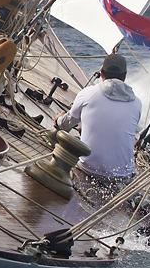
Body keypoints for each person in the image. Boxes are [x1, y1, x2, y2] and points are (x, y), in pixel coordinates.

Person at [55, 54, 142, 195]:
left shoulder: (88, 93)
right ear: (125, 76)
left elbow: (65, 125)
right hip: (122, 176)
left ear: (101, 73)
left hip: (88, 169)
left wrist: (58, 119)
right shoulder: (137, 103)